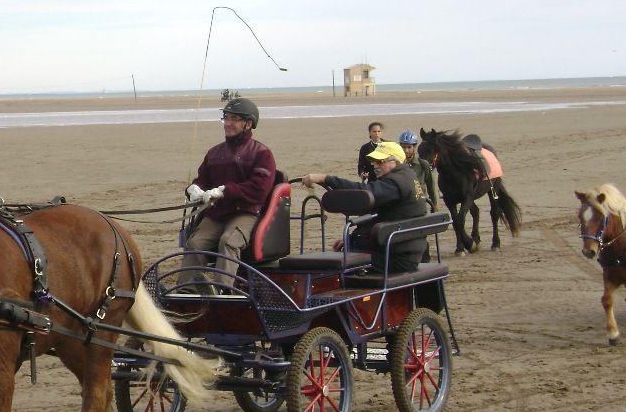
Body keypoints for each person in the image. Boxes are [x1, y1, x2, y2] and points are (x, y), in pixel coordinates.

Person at [181, 98, 277, 288]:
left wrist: (226, 191)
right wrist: (194, 189)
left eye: (234, 119)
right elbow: (203, 179)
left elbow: (259, 190)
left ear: (248, 124)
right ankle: (186, 289)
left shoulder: (262, 153)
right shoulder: (214, 153)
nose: (228, 123)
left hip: (246, 212)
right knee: (194, 243)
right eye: (226, 118)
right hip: (217, 213)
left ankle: (223, 289)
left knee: (228, 241)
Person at [303, 141, 429, 273]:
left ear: (396, 163)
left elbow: (362, 192)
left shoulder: (394, 184)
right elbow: (382, 216)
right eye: (374, 161)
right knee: (345, 253)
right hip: (403, 250)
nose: (375, 165)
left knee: (327, 270)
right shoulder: (407, 177)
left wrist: (325, 178)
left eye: (380, 162)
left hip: (394, 257)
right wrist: (351, 239)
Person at [398, 130, 437, 211]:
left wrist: (435, 207)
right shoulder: (396, 165)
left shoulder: (423, 165)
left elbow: (431, 189)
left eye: (409, 147)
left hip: (420, 207)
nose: (406, 150)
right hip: (401, 207)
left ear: (414, 147)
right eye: (403, 147)